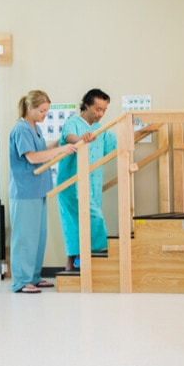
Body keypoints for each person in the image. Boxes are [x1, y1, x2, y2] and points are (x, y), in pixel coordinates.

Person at [9, 90, 77, 293]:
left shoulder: (35, 128)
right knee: (24, 237)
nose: (44, 115)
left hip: (38, 190)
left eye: (47, 111)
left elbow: (42, 148)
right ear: (30, 108)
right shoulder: (21, 129)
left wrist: (60, 143)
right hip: (24, 192)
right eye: (42, 111)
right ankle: (21, 281)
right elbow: (33, 157)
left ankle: (34, 277)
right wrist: (60, 151)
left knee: (38, 236)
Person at [56, 88, 117, 271]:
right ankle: (94, 257)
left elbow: (116, 145)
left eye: (104, 110)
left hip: (93, 186)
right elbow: (69, 137)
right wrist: (81, 139)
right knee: (82, 220)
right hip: (71, 184)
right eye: (98, 109)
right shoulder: (73, 122)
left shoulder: (100, 129)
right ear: (86, 105)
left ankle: (73, 265)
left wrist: (142, 131)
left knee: (80, 222)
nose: (101, 113)